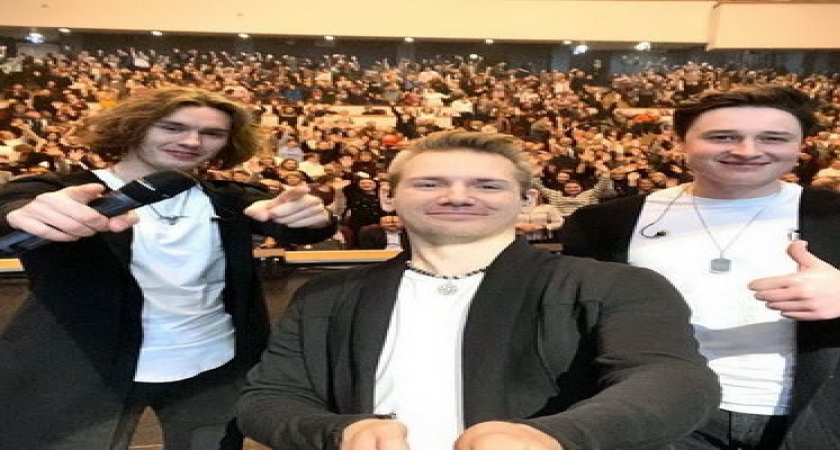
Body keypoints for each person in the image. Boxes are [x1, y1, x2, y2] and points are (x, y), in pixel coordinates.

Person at [236, 130, 719, 450]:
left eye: (486, 186)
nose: (457, 196)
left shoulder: (616, 285)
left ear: (527, 200)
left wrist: (554, 438)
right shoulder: (326, 296)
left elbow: (673, 382)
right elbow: (270, 398)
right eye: (430, 184)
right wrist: (340, 432)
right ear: (389, 195)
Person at [562, 86, 840, 450]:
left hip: (823, 417)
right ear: (680, 141)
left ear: (800, 145)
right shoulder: (605, 224)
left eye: (773, 138)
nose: (747, 151)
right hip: (662, 416)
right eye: (722, 137)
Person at [0, 87, 336, 450]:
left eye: (212, 133)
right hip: (85, 369)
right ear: (134, 127)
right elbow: (16, 204)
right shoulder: (64, 190)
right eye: (172, 128)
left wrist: (312, 217)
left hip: (214, 367)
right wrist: (23, 212)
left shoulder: (230, 198)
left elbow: (297, 224)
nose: (192, 141)